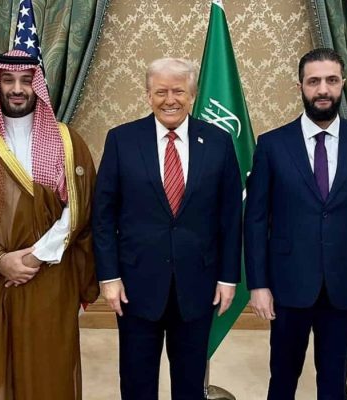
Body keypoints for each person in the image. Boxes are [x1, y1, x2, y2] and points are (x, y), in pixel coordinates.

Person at [0, 49, 98, 399]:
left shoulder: (67, 141)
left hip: (50, 275)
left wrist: (34, 256)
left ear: (37, 86)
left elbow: (80, 207)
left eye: (26, 81)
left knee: (48, 361)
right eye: (8, 80)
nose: (17, 89)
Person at [244, 48, 347, 400]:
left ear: (343, 84)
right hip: (288, 284)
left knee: (333, 382)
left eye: (331, 80)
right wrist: (258, 284)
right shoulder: (271, 144)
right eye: (313, 81)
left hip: (345, 285)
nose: (322, 89)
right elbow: (255, 221)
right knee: (282, 379)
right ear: (300, 86)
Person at [92, 57, 242, 400]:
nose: (169, 99)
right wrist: (109, 277)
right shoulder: (122, 140)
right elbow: (103, 216)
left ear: (192, 95)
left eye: (178, 91)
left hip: (198, 284)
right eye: (160, 92)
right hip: (135, 285)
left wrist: (228, 278)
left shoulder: (218, 141)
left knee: (190, 383)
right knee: (137, 380)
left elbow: (231, 216)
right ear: (148, 95)